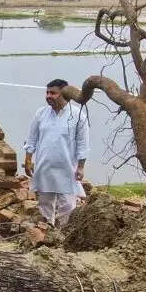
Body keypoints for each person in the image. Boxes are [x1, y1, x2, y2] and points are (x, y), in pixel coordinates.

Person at [23, 79, 88, 226]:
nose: (48, 96)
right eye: (47, 92)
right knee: (45, 203)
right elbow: (31, 139)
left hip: (67, 168)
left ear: (64, 94)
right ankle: (47, 233)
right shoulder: (41, 114)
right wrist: (28, 160)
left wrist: (81, 167)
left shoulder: (77, 116)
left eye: (53, 93)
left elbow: (83, 145)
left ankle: (64, 234)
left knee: (68, 205)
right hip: (44, 166)